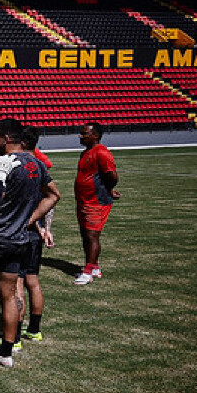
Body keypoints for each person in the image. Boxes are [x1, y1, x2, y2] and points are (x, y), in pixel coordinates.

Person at [0, 119, 60, 368]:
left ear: (5, 138)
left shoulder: (4, 164)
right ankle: (7, 349)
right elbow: (54, 195)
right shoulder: (37, 164)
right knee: (10, 294)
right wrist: (30, 219)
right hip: (19, 238)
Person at [74, 121, 119, 285]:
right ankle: (94, 267)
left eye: (84, 133)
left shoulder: (102, 152)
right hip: (84, 200)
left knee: (92, 235)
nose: (81, 136)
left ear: (95, 135)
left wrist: (108, 189)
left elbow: (112, 176)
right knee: (86, 234)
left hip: (96, 202)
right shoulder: (86, 153)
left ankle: (87, 273)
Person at [21, 126, 56, 247]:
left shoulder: (18, 162)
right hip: (34, 223)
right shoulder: (40, 161)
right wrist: (46, 229)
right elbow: (51, 198)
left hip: (22, 224)